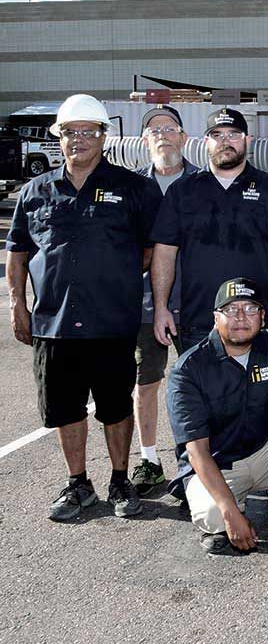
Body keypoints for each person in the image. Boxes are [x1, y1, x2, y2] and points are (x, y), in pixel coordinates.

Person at [6, 93, 161, 521]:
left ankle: (119, 479)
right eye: (70, 133)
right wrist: (18, 304)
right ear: (59, 138)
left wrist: (117, 277)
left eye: (87, 132)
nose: (79, 140)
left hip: (111, 321)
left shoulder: (134, 189)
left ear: (103, 136)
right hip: (53, 324)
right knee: (64, 408)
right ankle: (78, 484)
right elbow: (17, 251)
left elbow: (152, 248)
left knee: (114, 405)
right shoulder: (36, 192)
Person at [166, 278, 268, 560]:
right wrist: (229, 511)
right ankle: (232, 509)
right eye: (231, 310)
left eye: (250, 309)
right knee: (214, 515)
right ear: (216, 318)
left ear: (262, 316)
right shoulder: (189, 369)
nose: (241, 317)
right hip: (219, 464)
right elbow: (196, 452)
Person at [151, 108, 268, 355]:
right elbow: (164, 252)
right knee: (200, 393)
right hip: (199, 322)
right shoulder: (182, 191)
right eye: (217, 134)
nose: (225, 141)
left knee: (263, 393)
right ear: (206, 141)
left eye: (233, 134)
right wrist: (161, 307)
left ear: (247, 140)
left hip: (257, 322)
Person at [131, 105, 199, 495]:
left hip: (194, 300)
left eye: (170, 128)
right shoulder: (133, 187)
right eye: (154, 130)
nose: (163, 135)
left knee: (199, 383)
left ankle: (199, 463)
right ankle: (150, 461)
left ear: (183, 137)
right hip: (144, 303)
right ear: (145, 141)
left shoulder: (204, 183)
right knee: (147, 381)